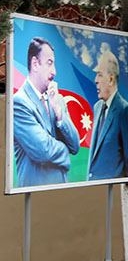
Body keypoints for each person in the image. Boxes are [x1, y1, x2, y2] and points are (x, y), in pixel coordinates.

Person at [12, 37, 81, 187]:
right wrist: (65, 151)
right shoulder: (19, 103)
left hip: (61, 191)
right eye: (50, 63)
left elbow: (75, 146)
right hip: (35, 195)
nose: (54, 71)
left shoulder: (57, 99)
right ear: (35, 64)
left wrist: (60, 115)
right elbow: (43, 151)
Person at [88, 49, 128, 180]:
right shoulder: (97, 107)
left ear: (110, 79)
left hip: (112, 188)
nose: (95, 80)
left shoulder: (123, 110)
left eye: (99, 75)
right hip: (93, 187)